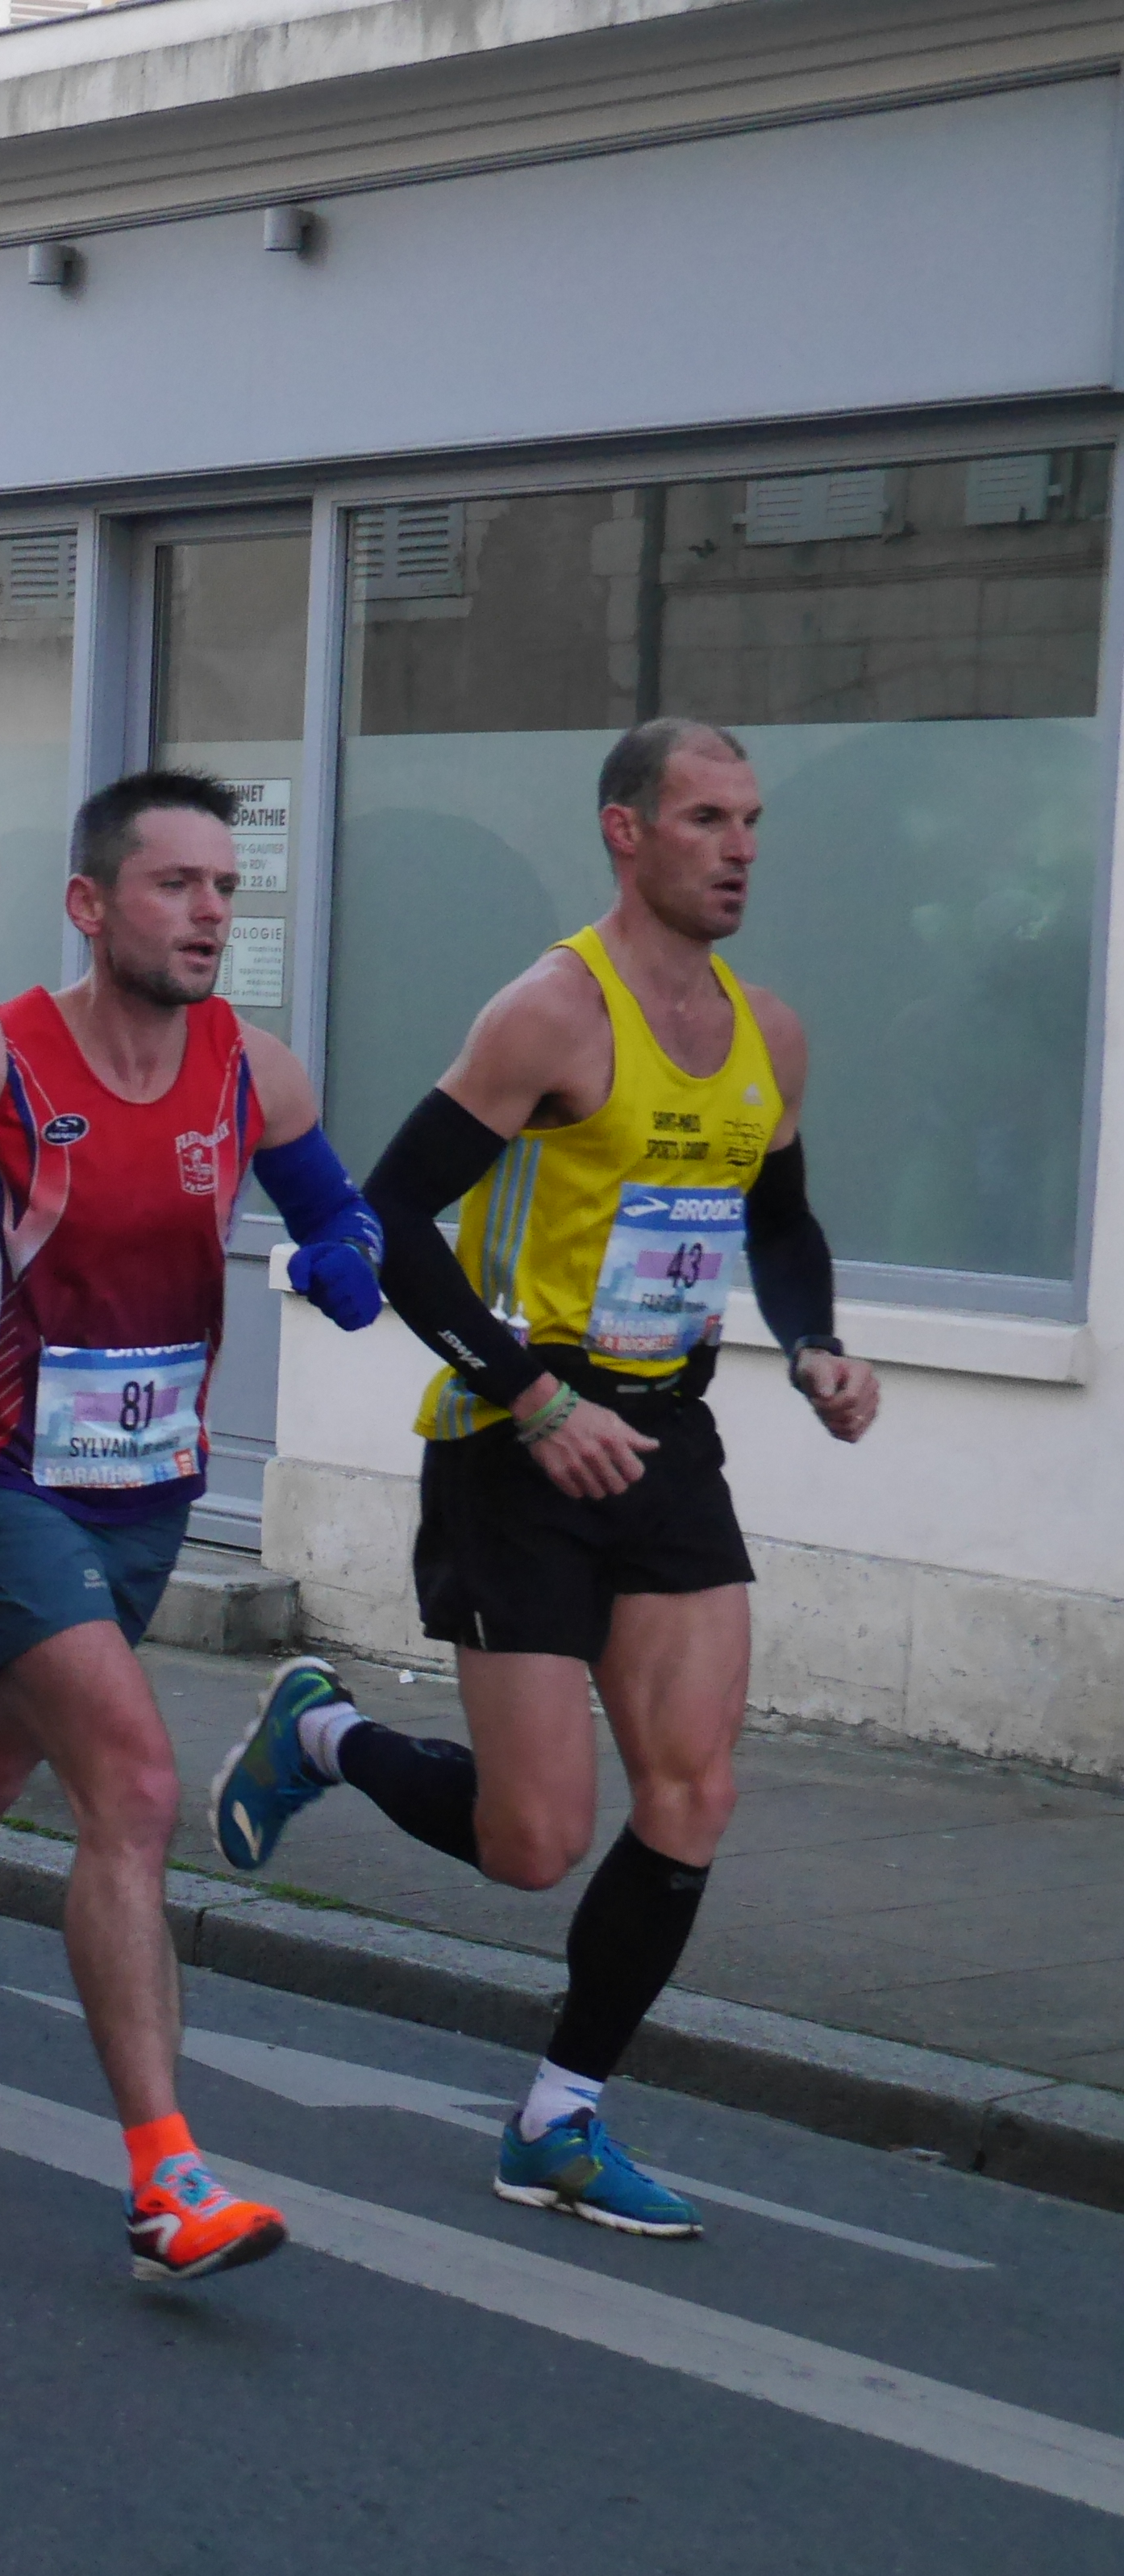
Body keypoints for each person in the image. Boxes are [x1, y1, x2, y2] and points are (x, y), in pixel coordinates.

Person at [210, 720, 877, 2241]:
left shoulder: (765, 1028)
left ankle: (558, 2115)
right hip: (514, 1447)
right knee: (530, 1842)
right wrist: (529, 1388)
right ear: (624, 832)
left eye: (753, 820)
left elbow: (774, 1216)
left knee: (695, 1786)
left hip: (667, 1443)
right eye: (708, 817)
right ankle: (321, 1733)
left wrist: (819, 1340)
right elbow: (386, 1213)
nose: (741, 848)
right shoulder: (548, 1013)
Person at [0, 768, 387, 2283]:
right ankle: (162, 2174)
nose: (206, 915)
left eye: (224, 889)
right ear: (90, 904)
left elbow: (331, 1206)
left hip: (150, 1488)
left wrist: (348, 1253)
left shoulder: (256, 1072)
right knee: (129, 1783)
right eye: (174, 885)